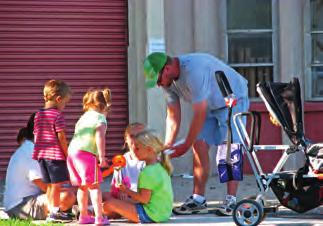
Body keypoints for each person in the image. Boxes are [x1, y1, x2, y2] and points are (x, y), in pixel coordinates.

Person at [143, 52, 249, 215]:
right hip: (209, 106)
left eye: (157, 80)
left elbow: (198, 112)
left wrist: (185, 145)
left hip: (232, 100)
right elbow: (173, 114)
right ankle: (198, 199)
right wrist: (168, 145)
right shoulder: (168, 83)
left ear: (167, 69)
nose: (158, 85)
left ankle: (231, 200)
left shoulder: (194, 70)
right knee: (198, 145)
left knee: (229, 148)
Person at [4, 113, 76, 220]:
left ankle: (73, 209)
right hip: (20, 206)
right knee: (67, 196)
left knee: (72, 192)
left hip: (29, 200)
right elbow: (44, 186)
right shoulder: (30, 151)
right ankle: (63, 211)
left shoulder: (33, 148)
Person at [102, 130, 174, 223]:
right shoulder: (160, 167)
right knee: (119, 202)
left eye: (137, 148)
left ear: (149, 149)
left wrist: (125, 190)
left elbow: (144, 199)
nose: (133, 151)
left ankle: (92, 213)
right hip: (162, 213)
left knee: (110, 204)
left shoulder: (147, 172)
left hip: (150, 215)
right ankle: (105, 213)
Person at [67, 88, 111, 225]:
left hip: (72, 153)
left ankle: (84, 216)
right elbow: (100, 137)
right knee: (94, 186)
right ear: (104, 105)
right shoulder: (100, 118)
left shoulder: (83, 118)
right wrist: (102, 156)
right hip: (85, 155)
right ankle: (99, 217)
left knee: (82, 187)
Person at [32, 79, 73, 222]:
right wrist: (67, 154)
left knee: (49, 185)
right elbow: (61, 136)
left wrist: (37, 153)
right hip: (54, 156)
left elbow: (36, 135)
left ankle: (51, 210)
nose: (64, 106)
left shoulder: (38, 114)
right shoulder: (57, 115)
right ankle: (55, 212)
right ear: (58, 99)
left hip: (42, 155)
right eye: (65, 103)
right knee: (57, 185)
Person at [108, 123, 146, 200]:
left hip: (141, 197)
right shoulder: (121, 160)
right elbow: (117, 183)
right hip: (126, 196)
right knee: (103, 195)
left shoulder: (148, 159)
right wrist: (121, 191)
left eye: (140, 136)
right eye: (132, 136)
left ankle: (92, 208)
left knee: (109, 205)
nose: (136, 139)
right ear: (126, 139)